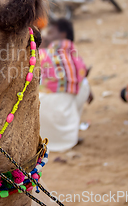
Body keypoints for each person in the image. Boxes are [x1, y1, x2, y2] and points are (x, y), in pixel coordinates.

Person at [38, 19, 91, 152]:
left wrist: (40, 48)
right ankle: (70, 128)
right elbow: (82, 77)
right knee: (84, 84)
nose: (46, 36)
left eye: (50, 32)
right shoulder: (76, 58)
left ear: (62, 34)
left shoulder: (42, 54)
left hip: (42, 116)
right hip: (68, 134)